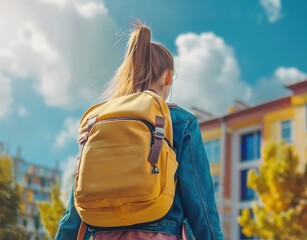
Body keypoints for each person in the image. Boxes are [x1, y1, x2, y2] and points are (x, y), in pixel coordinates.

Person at [55, 20, 224, 240]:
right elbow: (201, 206)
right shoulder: (181, 122)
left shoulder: (98, 120)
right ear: (168, 77)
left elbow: (74, 209)